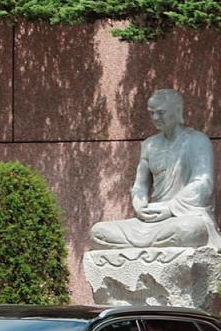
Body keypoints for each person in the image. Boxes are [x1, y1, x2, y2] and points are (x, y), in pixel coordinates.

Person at [90, 88, 220, 249]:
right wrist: (139, 203)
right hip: (153, 218)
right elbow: (140, 185)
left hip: (182, 215)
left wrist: (170, 207)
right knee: (98, 231)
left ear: (177, 111)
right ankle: (150, 245)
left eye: (161, 112)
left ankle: (146, 246)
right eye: (152, 113)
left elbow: (203, 184)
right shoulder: (149, 145)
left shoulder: (198, 141)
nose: (155, 118)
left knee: (190, 230)